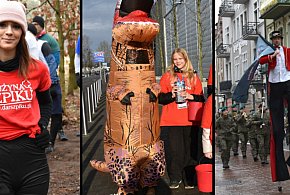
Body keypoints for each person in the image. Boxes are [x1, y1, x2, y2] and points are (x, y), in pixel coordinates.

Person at [0, 1, 52, 194]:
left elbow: (47, 102)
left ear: (22, 32)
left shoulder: (37, 68)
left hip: (32, 160)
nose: (9, 32)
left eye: (15, 26)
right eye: (2, 25)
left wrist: (42, 125)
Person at [158, 48, 205, 189]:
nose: (178, 62)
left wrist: (190, 96)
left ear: (186, 59)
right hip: (171, 121)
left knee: (190, 151)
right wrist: (172, 94)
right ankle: (175, 178)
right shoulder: (167, 77)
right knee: (174, 151)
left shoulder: (193, 77)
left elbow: (201, 98)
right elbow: (160, 99)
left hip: (191, 120)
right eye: (175, 59)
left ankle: (189, 178)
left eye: (180, 59)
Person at [32, 16, 68, 153]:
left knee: (55, 112)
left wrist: (46, 79)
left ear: (42, 25)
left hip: (50, 81)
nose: (34, 26)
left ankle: (51, 142)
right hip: (40, 81)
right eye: (32, 24)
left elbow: (55, 62)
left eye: (36, 24)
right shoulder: (32, 40)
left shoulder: (48, 41)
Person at [259, 30, 290, 182]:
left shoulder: (287, 52)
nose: (276, 41)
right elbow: (260, 60)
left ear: (281, 39)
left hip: (288, 82)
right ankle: (281, 169)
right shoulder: (269, 52)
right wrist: (270, 57)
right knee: (277, 129)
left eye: (278, 38)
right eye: (274, 39)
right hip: (275, 85)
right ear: (272, 40)